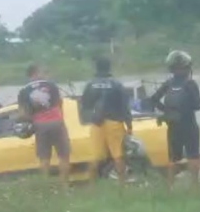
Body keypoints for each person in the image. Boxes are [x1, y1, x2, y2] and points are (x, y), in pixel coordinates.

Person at [150, 50, 200, 190]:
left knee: (173, 158)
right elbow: (198, 106)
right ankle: (195, 186)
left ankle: (170, 187)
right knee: (193, 155)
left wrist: (167, 111)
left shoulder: (168, 83)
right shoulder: (190, 83)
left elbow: (153, 100)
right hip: (189, 124)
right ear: (186, 67)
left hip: (172, 124)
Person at [79, 56, 132, 185]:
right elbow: (125, 107)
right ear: (109, 68)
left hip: (97, 123)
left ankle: (91, 185)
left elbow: (84, 106)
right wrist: (129, 125)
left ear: (96, 68)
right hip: (114, 122)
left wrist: (91, 118)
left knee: (96, 157)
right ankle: (122, 184)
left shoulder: (90, 85)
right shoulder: (116, 84)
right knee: (118, 155)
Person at [18, 64, 71, 186]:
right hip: (57, 122)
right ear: (36, 72)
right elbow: (60, 103)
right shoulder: (51, 85)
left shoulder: (23, 91)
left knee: (44, 158)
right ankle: (65, 186)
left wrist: (29, 121)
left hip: (40, 125)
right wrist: (60, 118)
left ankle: (46, 186)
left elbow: (22, 113)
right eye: (41, 72)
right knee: (63, 156)